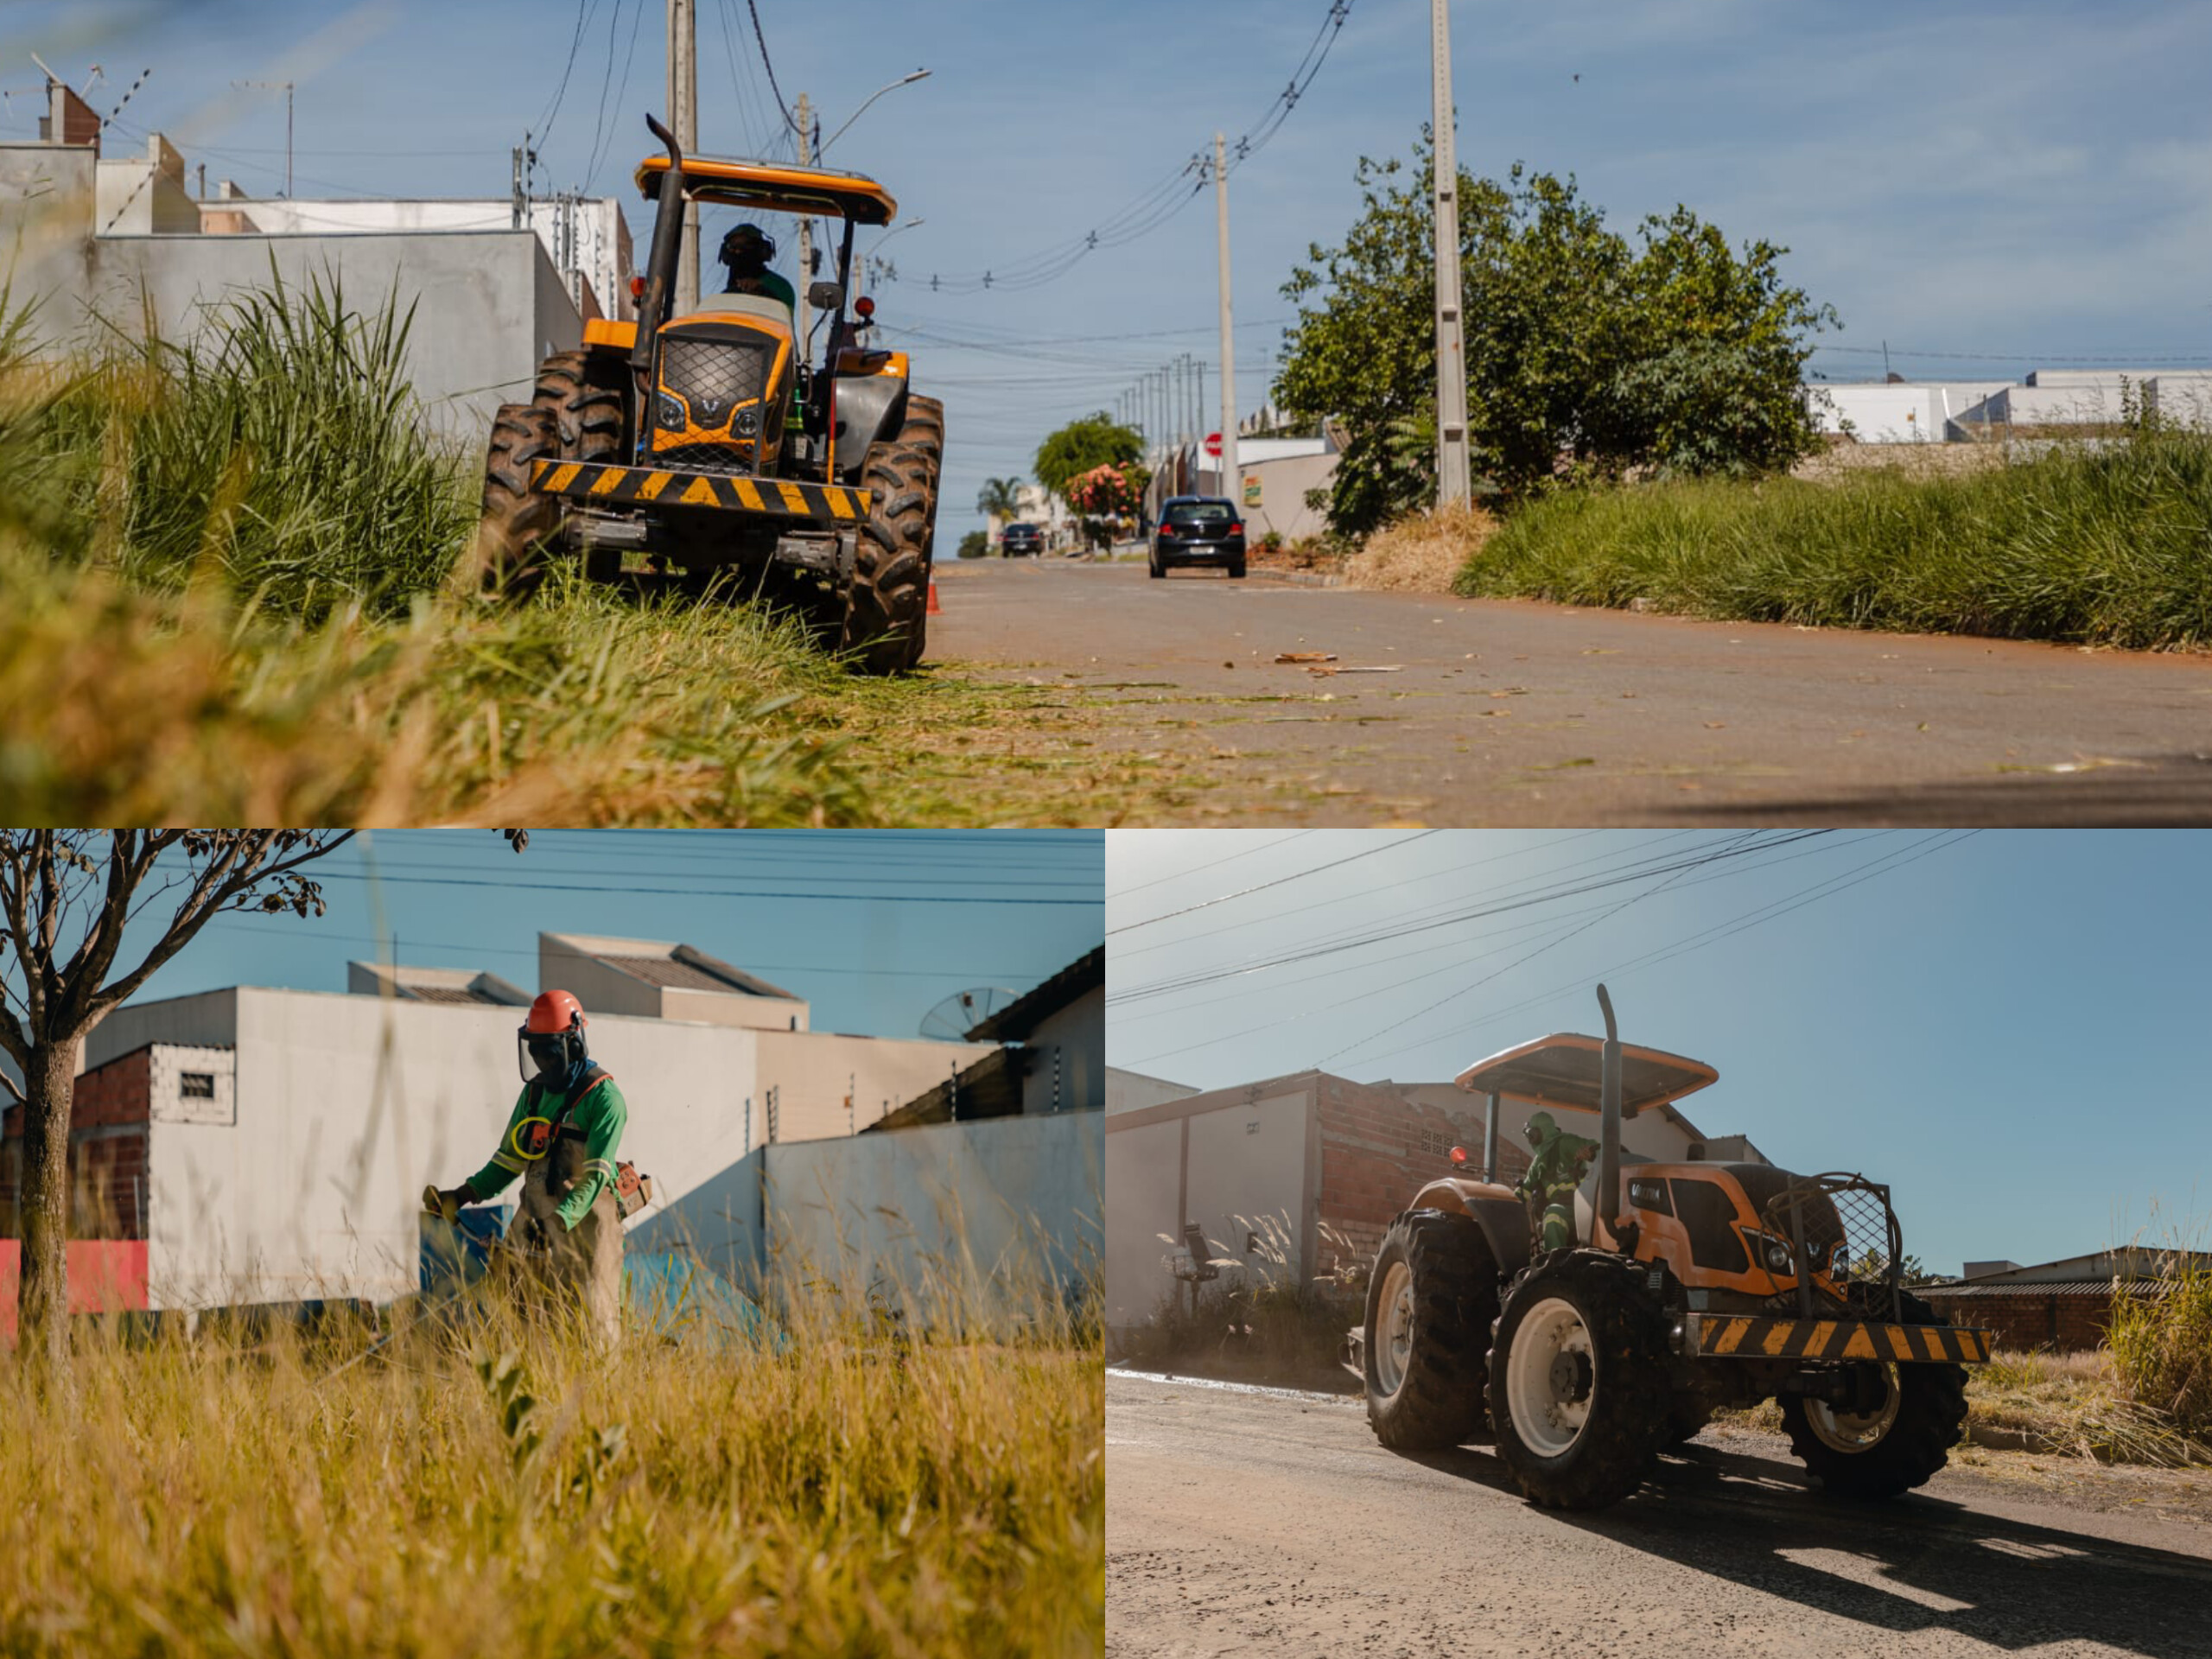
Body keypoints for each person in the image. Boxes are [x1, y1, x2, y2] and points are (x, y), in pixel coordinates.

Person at [426, 989, 628, 1345]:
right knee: (515, 1317)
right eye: (535, 1052)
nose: (542, 1062)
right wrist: (462, 1195)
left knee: (591, 1325)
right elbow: (508, 1160)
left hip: (585, 1229)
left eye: (549, 1052)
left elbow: (595, 1177)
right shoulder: (534, 1095)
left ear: (574, 1045)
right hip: (533, 1222)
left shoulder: (604, 1099)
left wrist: (555, 1224)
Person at [1516, 1109, 1599, 1254]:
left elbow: (1593, 1146)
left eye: (1532, 1135)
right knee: (1553, 1212)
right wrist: (1507, 1202)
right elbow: (1525, 1189)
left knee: (1553, 1214)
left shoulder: (1565, 1142)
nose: (1530, 1140)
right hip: (1562, 1208)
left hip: (1582, 1207)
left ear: (1541, 1133)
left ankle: (1555, 1264)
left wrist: (1588, 1151)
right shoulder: (1538, 1163)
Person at [714, 222, 797, 314]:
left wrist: (762, 293)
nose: (738, 252)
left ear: (762, 251)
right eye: (732, 247)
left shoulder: (780, 287)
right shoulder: (722, 301)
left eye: (746, 246)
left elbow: (783, 317)